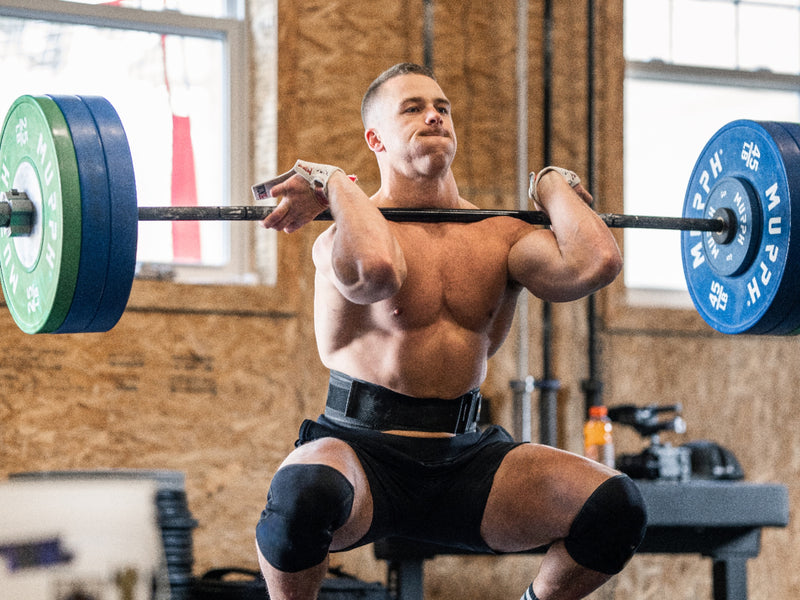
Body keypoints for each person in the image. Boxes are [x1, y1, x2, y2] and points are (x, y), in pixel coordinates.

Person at [255, 62, 646, 600]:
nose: (434, 115)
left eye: (441, 108)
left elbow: (595, 264)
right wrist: (334, 182)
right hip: (360, 454)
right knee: (304, 494)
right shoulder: (338, 239)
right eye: (412, 109)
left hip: (467, 459)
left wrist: (552, 184)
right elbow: (377, 272)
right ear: (376, 138)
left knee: (616, 507)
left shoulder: (500, 236)